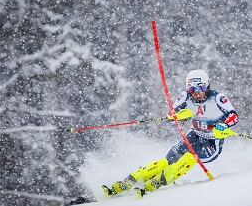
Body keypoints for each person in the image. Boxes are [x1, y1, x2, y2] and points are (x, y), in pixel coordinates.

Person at [102, 69, 239, 197]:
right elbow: (171, 115)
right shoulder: (185, 96)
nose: (196, 92)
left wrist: (225, 124)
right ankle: (131, 180)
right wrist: (178, 116)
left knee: (189, 157)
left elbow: (234, 116)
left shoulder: (217, 98)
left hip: (212, 143)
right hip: (194, 135)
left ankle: (159, 181)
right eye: (192, 89)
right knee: (169, 159)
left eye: (200, 88)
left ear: (207, 86)